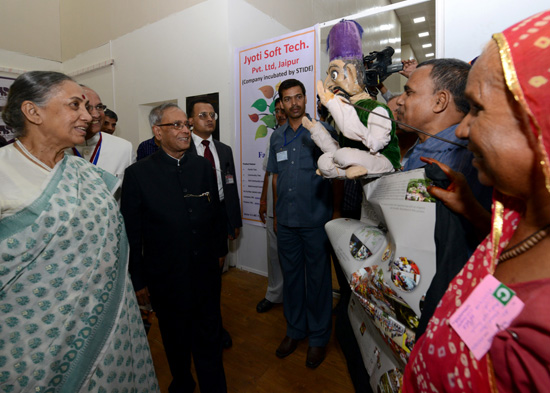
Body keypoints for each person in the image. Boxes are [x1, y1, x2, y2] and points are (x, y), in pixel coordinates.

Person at [402, 10, 550, 392]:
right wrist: (472, 209)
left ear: (540, 122)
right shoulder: (516, 213)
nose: (463, 129)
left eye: (479, 109)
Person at [0, 71, 158, 392]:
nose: (88, 116)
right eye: (76, 105)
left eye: (88, 107)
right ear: (34, 112)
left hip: (110, 329)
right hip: (33, 345)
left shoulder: (88, 175)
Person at [121, 103, 227, 393]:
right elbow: (132, 233)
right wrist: (138, 279)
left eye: (186, 125)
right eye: (176, 125)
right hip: (166, 278)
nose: (185, 130)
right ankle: (182, 382)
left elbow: (216, 213)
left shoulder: (203, 167)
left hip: (205, 274)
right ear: (158, 132)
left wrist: (220, 252)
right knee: (175, 338)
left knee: (209, 337)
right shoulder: (138, 175)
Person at [267, 78, 336, 368]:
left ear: (306, 99)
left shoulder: (323, 132)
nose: (293, 103)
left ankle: (319, 338)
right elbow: (275, 177)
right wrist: (276, 215)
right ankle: (295, 330)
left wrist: (335, 215)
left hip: (316, 220)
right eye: (287, 99)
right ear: (280, 103)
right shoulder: (276, 137)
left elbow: (338, 174)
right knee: (292, 280)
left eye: (298, 97)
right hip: (287, 222)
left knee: (318, 281)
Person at [304, 20, 401, 179]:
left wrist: (334, 104)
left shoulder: (376, 109)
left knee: (344, 156)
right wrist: (316, 131)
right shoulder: (349, 107)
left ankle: (356, 168)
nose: (328, 83)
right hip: (356, 169)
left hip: (382, 161)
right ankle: (345, 170)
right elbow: (337, 149)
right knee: (325, 161)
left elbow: (375, 145)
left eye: (334, 75)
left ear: (353, 73)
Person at [188, 99, 242, 347]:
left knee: (214, 278)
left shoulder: (224, 149)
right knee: (193, 280)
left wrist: (234, 220)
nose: (210, 119)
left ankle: (214, 328)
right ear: (191, 121)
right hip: (191, 221)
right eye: (202, 115)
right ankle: (196, 329)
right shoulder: (182, 147)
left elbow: (230, 187)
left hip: (219, 217)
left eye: (212, 114)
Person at [65, 86, 134, 181]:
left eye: (99, 107)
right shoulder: (57, 148)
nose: (96, 115)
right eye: (87, 107)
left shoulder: (124, 148)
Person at [256, 97, 286, 313]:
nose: (280, 114)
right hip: (272, 198)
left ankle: (296, 296)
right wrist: (262, 199)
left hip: (294, 202)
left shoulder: (306, 134)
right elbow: (268, 172)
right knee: (273, 250)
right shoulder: (273, 137)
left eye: (282, 109)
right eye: (276, 110)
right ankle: (274, 294)